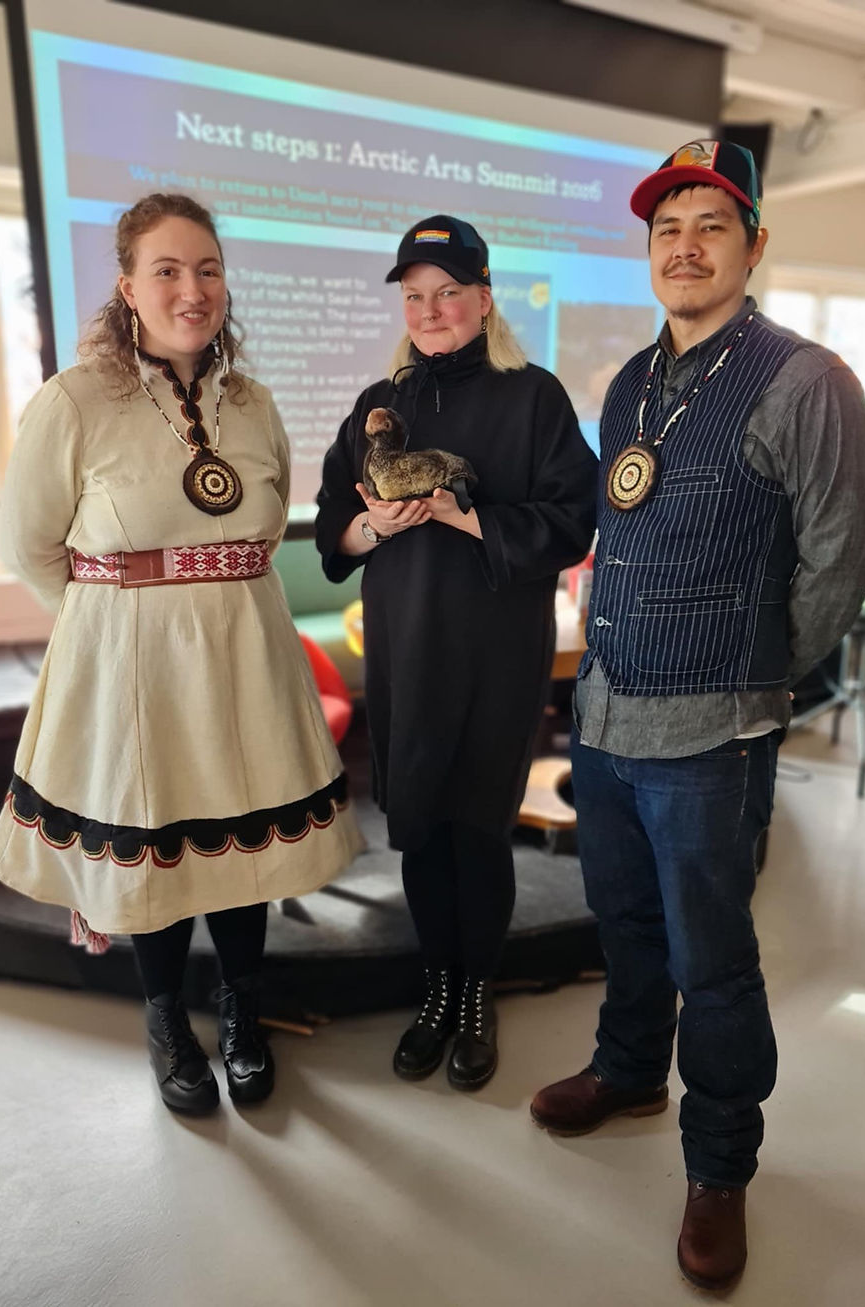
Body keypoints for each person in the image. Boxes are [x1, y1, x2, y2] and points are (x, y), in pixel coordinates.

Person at [530, 141, 865, 1289]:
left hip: (710, 733)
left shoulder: (803, 378)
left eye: (709, 226)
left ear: (752, 246)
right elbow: (616, 526)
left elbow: (839, 559)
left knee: (713, 960)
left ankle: (719, 1164)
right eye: (664, 229)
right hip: (608, 713)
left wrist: (754, 676)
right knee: (623, 925)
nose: (683, 246)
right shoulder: (627, 379)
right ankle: (629, 1067)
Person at [0, 193, 363, 1116]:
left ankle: (242, 1010)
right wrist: (113, 628)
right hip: (131, 665)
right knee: (153, 851)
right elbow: (30, 545)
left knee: (241, 841)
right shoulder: (75, 400)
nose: (192, 289)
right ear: (128, 287)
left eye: (208, 269)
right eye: (168, 269)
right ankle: (164, 1016)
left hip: (246, 654)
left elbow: (266, 532)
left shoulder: (256, 403)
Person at [316, 215, 597, 1090]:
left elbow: (570, 519)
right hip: (404, 650)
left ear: (481, 298)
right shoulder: (378, 404)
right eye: (415, 296)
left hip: (496, 652)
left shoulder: (535, 397)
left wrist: (462, 514)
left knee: (479, 831)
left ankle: (478, 993)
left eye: (447, 293)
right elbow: (335, 521)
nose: (431, 310)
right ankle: (436, 989)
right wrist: (373, 525)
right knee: (421, 831)